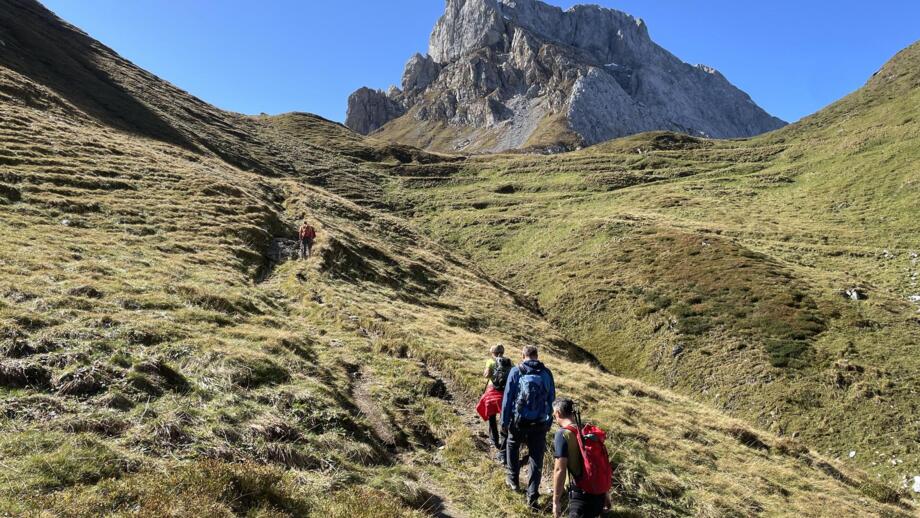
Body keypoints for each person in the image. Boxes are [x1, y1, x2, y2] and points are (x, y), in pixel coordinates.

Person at [501, 345, 556, 510]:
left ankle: (513, 480)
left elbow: (507, 398)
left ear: (523, 355)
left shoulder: (516, 371)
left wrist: (504, 422)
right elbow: (551, 398)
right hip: (540, 423)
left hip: (518, 422)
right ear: (537, 356)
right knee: (536, 458)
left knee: (512, 445)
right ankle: (532, 495)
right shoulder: (546, 373)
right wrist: (548, 422)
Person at [552, 398, 613, 518]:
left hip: (580, 496)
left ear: (558, 413)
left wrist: (556, 501)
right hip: (598, 495)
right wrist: (605, 493)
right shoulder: (587, 430)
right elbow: (599, 463)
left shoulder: (563, 434)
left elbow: (559, 470)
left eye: (554, 414)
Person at [476, 344, 512, 464]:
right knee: (504, 419)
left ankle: (494, 440)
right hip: (505, 393)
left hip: (492, 392)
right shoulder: (509, 362)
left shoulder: (490, 362)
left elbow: (486, 375)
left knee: (491, 417)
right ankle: (504, 442)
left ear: (493, 353)